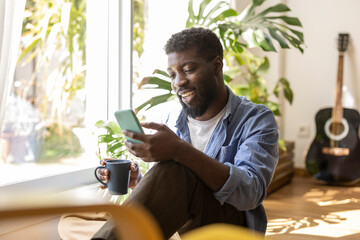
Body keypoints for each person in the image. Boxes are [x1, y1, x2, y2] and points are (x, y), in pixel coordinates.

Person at [62, 27, 279, 240]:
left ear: (216, 66)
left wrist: (180, 151)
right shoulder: (172, 118)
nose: (178, 82)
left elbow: (251, 192)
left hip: (223, 225)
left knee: (177, 169)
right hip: (177, 223)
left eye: (188, 70)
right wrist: (138, 181)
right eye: (173, 74)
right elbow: (170, 194)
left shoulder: (256, 119)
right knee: (72, 218)